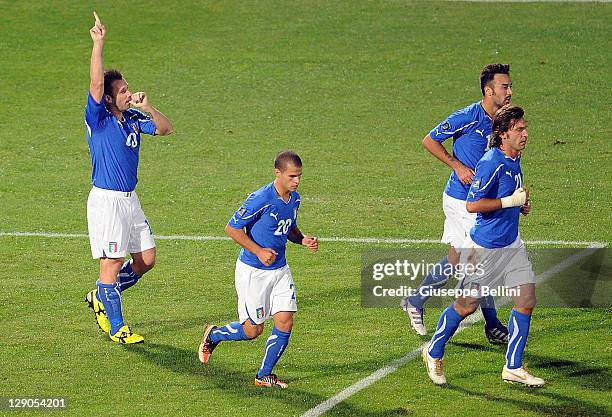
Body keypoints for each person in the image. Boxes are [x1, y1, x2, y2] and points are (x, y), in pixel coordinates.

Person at [423, 104, 544, 387]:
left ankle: (513, 366)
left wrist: (520, 205)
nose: (525, 134)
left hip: (511, 243)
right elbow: (473, 204)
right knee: (466, 306)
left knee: (526, 300)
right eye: (519, 130)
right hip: (484, 248)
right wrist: (507, 203)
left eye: (525, 128)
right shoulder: (491, 161)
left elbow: (509, 195)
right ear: (503, 134)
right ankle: (433, 350)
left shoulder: (514, 157)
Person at [401, 64, 512, 343]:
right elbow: (429, 140)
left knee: (458, 257)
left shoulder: (503, 122)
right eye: (504, 87)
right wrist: (457, 166)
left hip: (482, 200)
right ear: (489, 91)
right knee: (479, 258)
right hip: (462, 202)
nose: (510, 91)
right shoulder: (468, 116)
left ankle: (416, 300)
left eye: (510, 86)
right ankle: (492, 324)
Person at [83, 12, 174, 344]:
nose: (128, 92)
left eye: (126, 88)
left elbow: (165, 129)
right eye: (121, 91)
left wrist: (148, 107)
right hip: (107, 201)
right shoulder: (98, 118)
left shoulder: (133, 117)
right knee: (111, 265)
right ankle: (118, 327)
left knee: (146, 259)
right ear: (108, 98)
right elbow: (95, 84)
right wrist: (98, 44)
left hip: (130, 200)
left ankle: (101, 296)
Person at [198, 151, 318, 389]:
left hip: (280, 269)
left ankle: (264, 374)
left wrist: (302, 239)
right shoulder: (260, 198)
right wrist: (258, 251)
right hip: (254, 272)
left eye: (300, 176)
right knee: (253, 330)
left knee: (285, 320)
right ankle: (214, 335)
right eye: (292, 176)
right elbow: (232, 228)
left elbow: (289, 227)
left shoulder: (294, 199)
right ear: (278, 174)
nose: (297, 181)